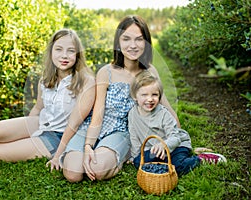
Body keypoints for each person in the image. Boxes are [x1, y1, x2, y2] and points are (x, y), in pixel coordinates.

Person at [59, 15, 180, 182]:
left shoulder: (150, 72)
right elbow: (98, 113)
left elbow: (164, 105)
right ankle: (95, 151)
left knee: (98, 170)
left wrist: (179, 137)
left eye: (139, 39)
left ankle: (121, 156)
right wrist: (88, 146)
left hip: (121, 131)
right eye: (126, 39)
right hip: (94, 126)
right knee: (73, 173)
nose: (132, 45)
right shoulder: (106, 72)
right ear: (118, 42)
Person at [0, 29, 95, 164]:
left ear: (78, 54)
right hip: (43, 123)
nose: (64, 56)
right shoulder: (46, 79)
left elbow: (74, 124)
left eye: (71, 51)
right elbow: (38, 108)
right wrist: (28, 133)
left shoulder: (86, 82)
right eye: (59, 49)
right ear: (51, 52)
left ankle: (48, 148)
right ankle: (34, 141)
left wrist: (57, 157)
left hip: (61, 135)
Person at [128, 70, 227, 176]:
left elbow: (176, 138)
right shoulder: (133, 114)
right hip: (156, 150)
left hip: (176, 146)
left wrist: (164, 145)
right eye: (144, 95)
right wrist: (135, 157)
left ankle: (201, 159)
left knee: (177, 166)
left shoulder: (164, 114)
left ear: (160, 96)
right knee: (139, 162)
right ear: (135, 96)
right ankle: (167, 161)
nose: (150, 99)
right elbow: (134, 138)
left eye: (154, 95)